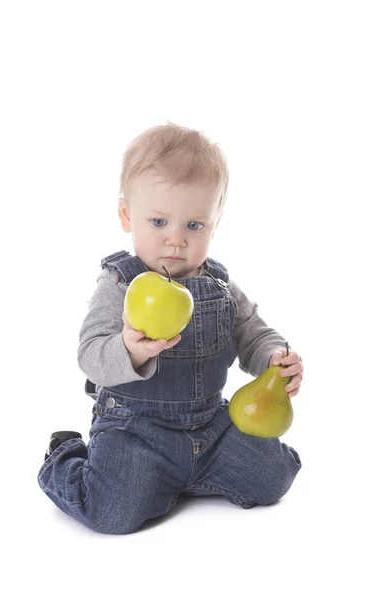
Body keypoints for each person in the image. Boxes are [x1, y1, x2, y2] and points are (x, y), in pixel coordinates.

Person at [37, 121, 303, 534]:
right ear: (127, 215)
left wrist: (274, 357)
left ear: (215, 222)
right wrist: (130, 349)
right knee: (111, 513)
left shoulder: (218, 284)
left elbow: (252, 330)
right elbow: (90, 355)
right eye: (159, 222)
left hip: (209, 423)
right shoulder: (122, 284)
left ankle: (177, 476)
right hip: (135, 427)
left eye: (194, 226)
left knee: (272, 478)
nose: (175, 240)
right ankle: (65, 455)